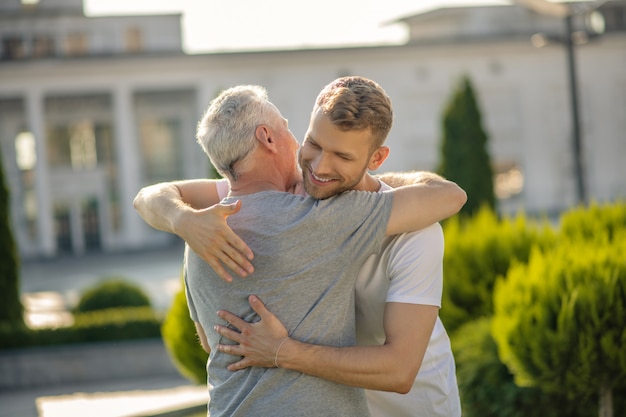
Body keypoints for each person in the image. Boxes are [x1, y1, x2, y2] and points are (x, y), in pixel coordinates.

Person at [133, 77, 465, 416]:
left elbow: (209, 342)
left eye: (342, 156)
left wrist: (284, 352)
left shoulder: (412, 231)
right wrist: (182, 219)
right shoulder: (301, 207)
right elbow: (154, 196)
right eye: (312, 143)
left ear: (376, 158)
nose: (319, 167)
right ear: (270, 137)